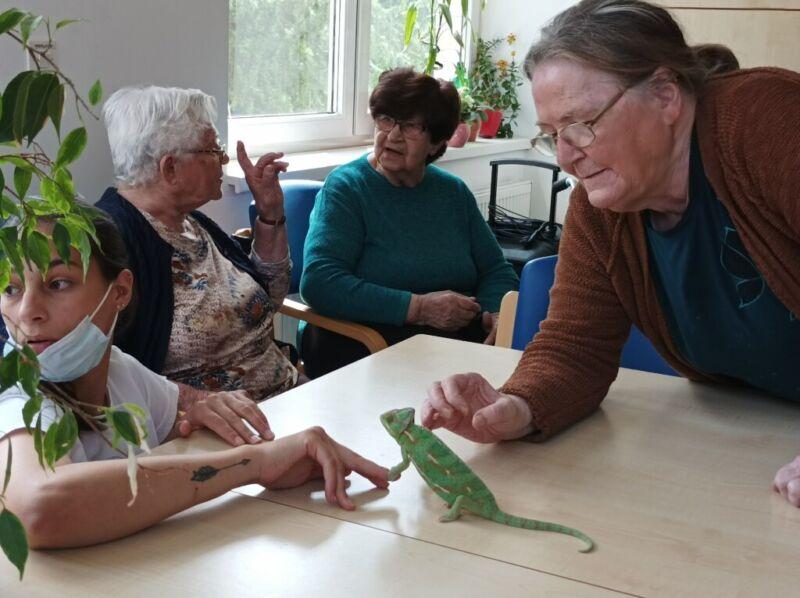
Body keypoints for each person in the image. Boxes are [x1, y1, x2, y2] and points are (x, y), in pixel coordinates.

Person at [421, 0, 800, 508]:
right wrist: (517, 405)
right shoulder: (603, 209)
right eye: (552, 135)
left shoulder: (764, 120)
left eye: (581, 123)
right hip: (757, 437)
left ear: (665, 95)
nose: (565, 157)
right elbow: (576, 347)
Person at [0, 211, 389, 549]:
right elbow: (39, 508)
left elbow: (182, 426)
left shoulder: (118, 369)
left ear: (119, 291)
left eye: (58, 284)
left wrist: (204, 410)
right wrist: (255, 463)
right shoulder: (16, 396)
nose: (28, 312)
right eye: (11, 289)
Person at [300, 68, 519, 378]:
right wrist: (418, 308)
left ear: (436, 143)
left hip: (449, 342)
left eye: (410, 126)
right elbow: (320, 282)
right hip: (364, 340)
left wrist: (494, 310)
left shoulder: (452, 192)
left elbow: (496, 269)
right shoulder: (347, 188)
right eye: (386, 119)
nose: (392, 135)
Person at [97, 85, 299, 401]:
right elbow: (111, 373)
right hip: (215, 422)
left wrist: (270, 213)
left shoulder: (193, 223)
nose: (224, 158)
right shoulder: (111, 242)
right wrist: (196, 405)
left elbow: (271, 298)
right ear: (170, 168)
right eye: (212, 149)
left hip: (288, 392)